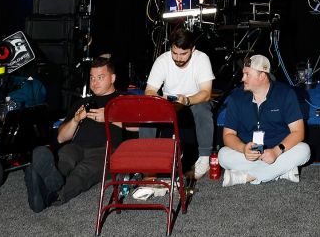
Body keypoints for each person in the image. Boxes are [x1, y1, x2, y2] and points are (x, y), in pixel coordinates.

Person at [24, 57, 121, 213]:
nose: (94, 82)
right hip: (76, 146)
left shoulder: (123, 100)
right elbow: (61, 137)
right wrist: (75, 120)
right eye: (92, 78)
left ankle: (53, 196)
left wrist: (111, 117)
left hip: (106, 150)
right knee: (64, 159)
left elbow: (140, 127)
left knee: (82, 173)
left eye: (100, 77)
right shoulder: (81, 103)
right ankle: (47, 186)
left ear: (113, 78)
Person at [217, 54, 310, 186]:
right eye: (243, 74)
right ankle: (281, 172)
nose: (242, 78)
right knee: (222, 155)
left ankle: (246, 177)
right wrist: (243, 149)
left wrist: (276, 151)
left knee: (304, 151)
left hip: (278, 150)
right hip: (248, 154)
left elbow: (298, 132)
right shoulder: (236, 97)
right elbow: (228, 135)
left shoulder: (285, 94)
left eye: (247, 74)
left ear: (262, 76)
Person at [141, 28, 216, 181]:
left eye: (183, 54)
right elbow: (149, 91)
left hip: (193, 100)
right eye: (175, 53)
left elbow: (206, 92)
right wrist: (162, 102)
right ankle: (148, 165)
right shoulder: (163, 60)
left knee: (203, 107)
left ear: (192, 50)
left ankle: (203, 159)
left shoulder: (202, 59)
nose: (178, 58)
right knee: (148, 109)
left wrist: (186, 100)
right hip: (168, 102)